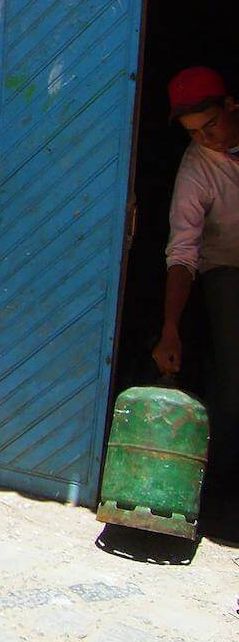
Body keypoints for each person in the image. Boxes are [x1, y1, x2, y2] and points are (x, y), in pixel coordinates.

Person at [152, 66, 239, 487]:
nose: (208, 139)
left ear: (231, 105)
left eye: (212, 125)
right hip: (227, 269)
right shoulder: (195, 172)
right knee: (233, 372)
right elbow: (183, 252)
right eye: (194, 133)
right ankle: (222, 484)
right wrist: (170, 328)